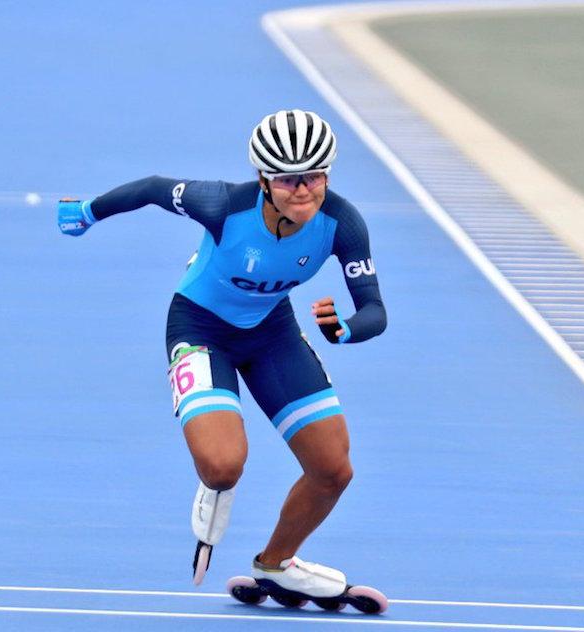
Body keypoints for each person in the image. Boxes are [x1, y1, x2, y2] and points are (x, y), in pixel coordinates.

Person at [58, 109, 388, 607]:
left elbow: (375, 311)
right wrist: (87, 211)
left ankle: (277, 565)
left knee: (333, 470)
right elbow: (152, 188)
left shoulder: (342, 223)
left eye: (315, 177)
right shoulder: (221, 205)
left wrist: (345, 329)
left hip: (272, 334)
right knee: (222, 466)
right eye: (288, 180)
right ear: (264, 180)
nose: (303, 191)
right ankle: (216, 485)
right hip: (200, 328)